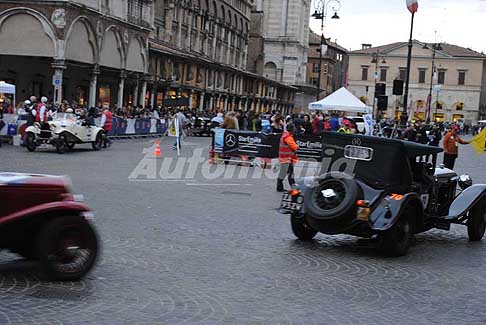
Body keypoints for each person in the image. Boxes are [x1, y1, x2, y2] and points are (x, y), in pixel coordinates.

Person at [277, 123, 299, 192]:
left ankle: (293, 187)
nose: (295, 130)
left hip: (286, 158)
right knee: (285, 173)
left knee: (290, 173)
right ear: (292, 129)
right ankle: (280, 187)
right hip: (286, 158)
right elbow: (294, 147)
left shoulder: (285, 135)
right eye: (294, 128)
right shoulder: (288, 137)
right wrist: (297, 146)